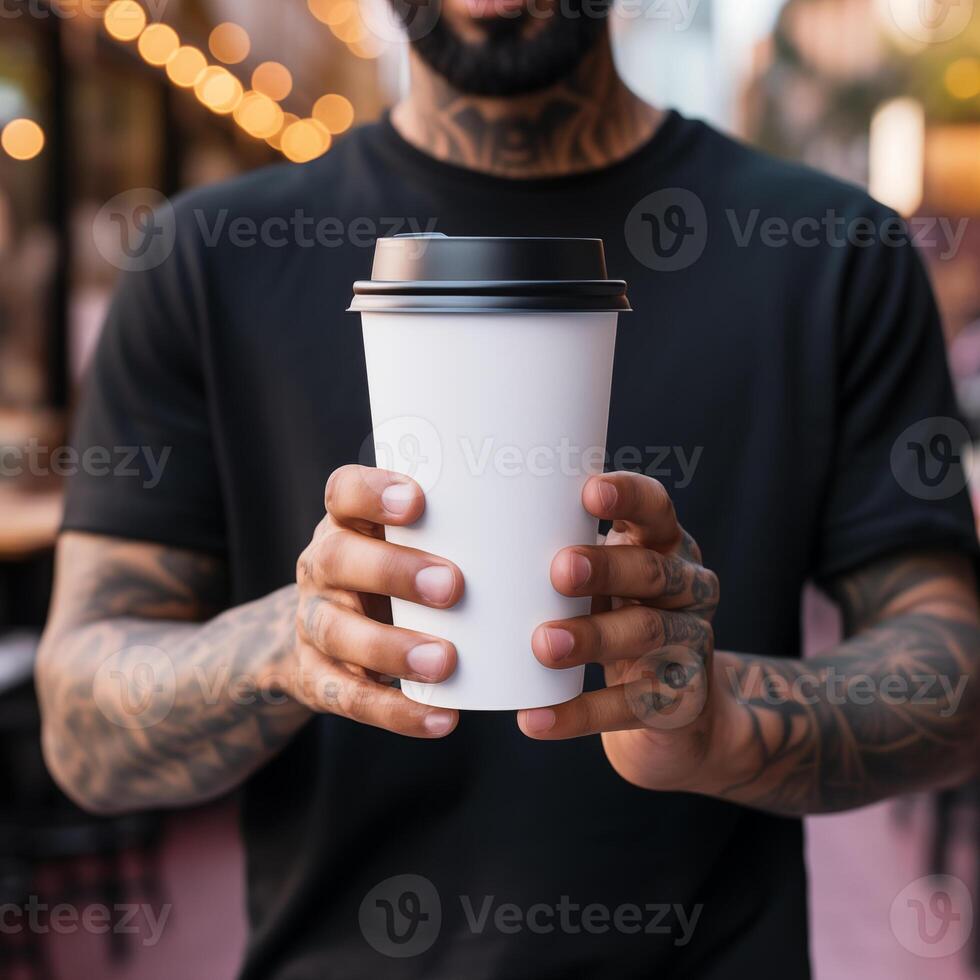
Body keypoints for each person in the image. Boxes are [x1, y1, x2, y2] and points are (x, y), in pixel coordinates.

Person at [36, 0, 980, 975]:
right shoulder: (200, 262)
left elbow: (948, 677)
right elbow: (80, 729)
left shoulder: (834, 252)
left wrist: (721, 720)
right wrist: (289, 642)